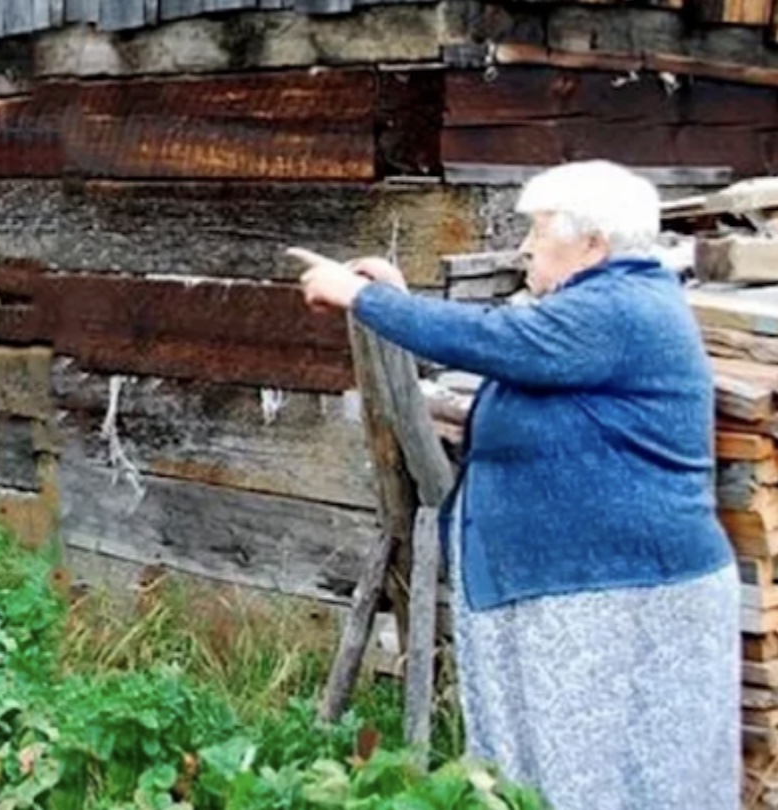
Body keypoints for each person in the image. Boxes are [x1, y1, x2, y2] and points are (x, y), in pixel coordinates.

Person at [292, 160, 739, 810]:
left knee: (601, 786)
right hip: (578, 593)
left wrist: (362, 297)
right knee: (542, 784)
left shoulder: (619, 309)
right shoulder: (596, 307)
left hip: (619, 599)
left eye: (538, 229)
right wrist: (396, 295)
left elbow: (493, 338)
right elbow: (498, 342)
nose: (525, 245)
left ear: (593, 242)